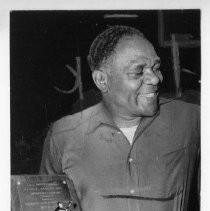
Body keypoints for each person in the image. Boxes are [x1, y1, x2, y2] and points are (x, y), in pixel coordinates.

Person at [40, 25, 200, 211]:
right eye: (138, 72)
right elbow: (47, 205)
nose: (155, 79)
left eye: (156, 67)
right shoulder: (62, 135)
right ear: (102, 80)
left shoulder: (193, 118)